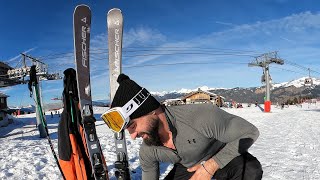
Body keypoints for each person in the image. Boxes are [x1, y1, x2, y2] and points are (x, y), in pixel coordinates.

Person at [107, 74, 263, 180]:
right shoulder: (148, 149)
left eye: (133, 125)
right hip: (187, 167)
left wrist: (210, 166)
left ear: (151, 111)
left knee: (250, 170)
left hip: (220, 154)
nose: (133, 136)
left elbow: (249, 132)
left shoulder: (200, 116)